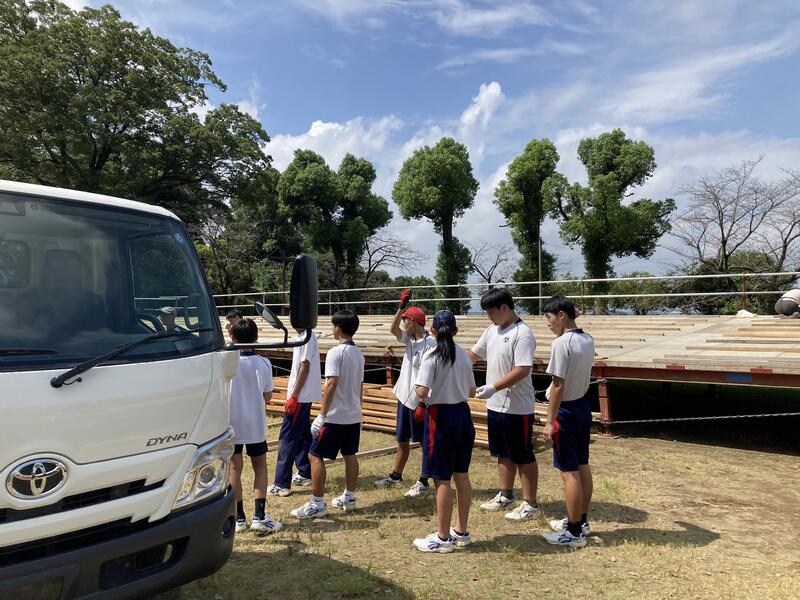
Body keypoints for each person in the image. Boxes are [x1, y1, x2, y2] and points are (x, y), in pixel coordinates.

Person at [467, 287, 539, 522]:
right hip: (495, 405)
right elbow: (472, 355)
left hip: (517, 407)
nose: (489, 317)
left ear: (505, 308)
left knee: (522, 454)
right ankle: (505, 494)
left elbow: (522, 369)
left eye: (492, 312)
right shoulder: (491, 331)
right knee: (502, 453)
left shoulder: (522, 333)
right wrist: (450, 362)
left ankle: (530, 503)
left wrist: (494, 387)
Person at [412, 310, 476, 553]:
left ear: (432, 331)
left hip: (440, 416)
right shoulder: (464, 356)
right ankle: (461, 530)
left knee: (441, 478)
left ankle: (442, 537)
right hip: (462, 414)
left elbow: (421, 391)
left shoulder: (432, 356)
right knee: (462, 474)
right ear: (455, 331)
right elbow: (471, 391)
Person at [291, 310, 365, 519]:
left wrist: (322, 415)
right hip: (352, 415)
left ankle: (317, 503)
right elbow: (360, 385)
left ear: (338, 328)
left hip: (335, 416)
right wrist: (360, 411)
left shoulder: (335, 352)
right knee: (350, 455)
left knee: (314, 455)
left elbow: (331, 383)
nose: (332, 329)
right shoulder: (359, 354)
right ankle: (349, 497)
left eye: (333, 326)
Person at [541, 295, 595, 548]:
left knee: (568, 472)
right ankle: (580, 521)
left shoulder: (561, 343)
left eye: (549, 317)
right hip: (583, 406)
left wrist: (549, 421)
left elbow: (558, 385)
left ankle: (573, 532)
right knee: (582, 465)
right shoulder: (588, 339)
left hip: (566, 411)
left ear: (561, 315)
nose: (548, 323)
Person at [374, 290, 436, 498]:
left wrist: (423, 403)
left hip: (419, 401)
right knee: (402, 439)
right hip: (404, 397)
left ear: (414, 322)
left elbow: (431, 376)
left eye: (405, 320)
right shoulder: (409, 340)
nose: (403, 324)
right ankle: (396, 475)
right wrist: (401, 307)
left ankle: (424, 480)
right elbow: (393, 329)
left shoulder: (430, 345)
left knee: (425, 442)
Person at [228, 318, 282, 534]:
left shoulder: (227, 362)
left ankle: (239, 517)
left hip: (232, 423)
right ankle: (259, 516)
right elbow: (267, 396)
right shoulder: (264, 363)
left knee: (234, 468)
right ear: (256, 338)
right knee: (259, 466)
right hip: (255, 424)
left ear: (233, 338)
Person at [267, 326, 322, 496]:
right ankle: (305, 472)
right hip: (302, 396)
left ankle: (282, 483)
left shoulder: (307, 337)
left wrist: (294, 396)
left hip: (300, 397)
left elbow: (305, 366)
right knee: (303, 435)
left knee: (287, 437)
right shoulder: (303, 336)